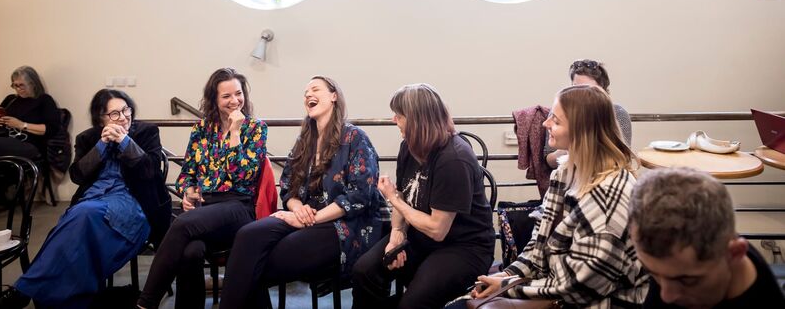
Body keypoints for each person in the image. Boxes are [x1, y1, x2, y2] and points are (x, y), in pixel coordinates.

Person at [464, 85, 647, 308]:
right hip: (558, 287)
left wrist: (511, 287)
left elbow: (581, 288)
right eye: (551, 115)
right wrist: (507, 276)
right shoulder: (565, 172)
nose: (545, 123)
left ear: (582, 131)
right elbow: (539, 241)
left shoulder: (610, 198)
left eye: (556, 121)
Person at [0, 89, 171, 309]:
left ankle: (22, 291)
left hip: (132, 203)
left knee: (80, 216)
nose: (123, 117)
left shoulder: (147, 132)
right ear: (100, 118)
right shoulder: (88, 137)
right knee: (76, 225)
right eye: (114, 114)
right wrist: (101, 146)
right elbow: (77, 175)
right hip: (95, 198)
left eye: (126, 110)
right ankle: (58, 299)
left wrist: (124, 141)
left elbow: (150, 171)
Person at [218, 76, 381, 308]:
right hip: (303, 215)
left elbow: (360, 195)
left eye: (315, 89)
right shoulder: (305, 139)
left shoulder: (354, 137)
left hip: (342, 225)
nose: (308, 95)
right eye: (305, 93)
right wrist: (296, 209)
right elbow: (287, 187)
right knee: (248, 235)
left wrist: (308, 218)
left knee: (256, 264)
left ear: (334, 96)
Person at [352, 83, 495, 309]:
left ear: (418, 120)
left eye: (399, 116)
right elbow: (404, 195)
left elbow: (438, 230)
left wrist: (393, 199)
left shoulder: (453, 158)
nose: (394, 120)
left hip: (464, 247)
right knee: (364, 271)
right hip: (420, 235)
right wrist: (397, 234)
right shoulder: (408, 147)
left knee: (413, 303)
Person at [137, 68, 267, 309]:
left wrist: (235, 132)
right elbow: (187, 172)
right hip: (205, 209)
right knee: (190, 252)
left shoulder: (255, 128)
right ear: (214, 99)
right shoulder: (202, 129)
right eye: (226, 96)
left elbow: (243, 174)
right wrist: (188, 191)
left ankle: (145, 304)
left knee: (182, 223)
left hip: (239, 207)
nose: (234, 100)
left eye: (238, 94)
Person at [629, 167, 785, 308]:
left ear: (735, 253)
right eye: (652, 272)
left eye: (687, 280)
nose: (666, 296)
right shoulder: (673, 262)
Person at [0, 65, 60, 169]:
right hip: (2, 139)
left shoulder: (44, 100)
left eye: (22, 85)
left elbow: (51, 129)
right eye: (15, 85)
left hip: (28, 144)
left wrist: (21, 125)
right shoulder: (11, 100)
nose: (18, 89)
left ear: (33, 84)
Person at [545, 59, 632, 170]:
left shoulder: (618, 114)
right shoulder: (558, 113)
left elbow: (624, 159)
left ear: (603, 91)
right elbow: (547, 159)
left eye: (589, 89)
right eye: (575, 88)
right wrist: (566, 150)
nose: (581, 94)